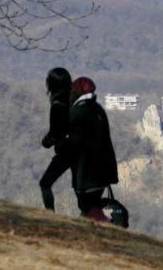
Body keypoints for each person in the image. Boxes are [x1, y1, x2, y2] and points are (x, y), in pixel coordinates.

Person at [63, 76, 119, 220]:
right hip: (103, 173)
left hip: (86, 175)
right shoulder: (99, 110)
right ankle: (97, 227)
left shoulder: (77, 112)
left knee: (87, 209)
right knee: (91, 208)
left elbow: (73, 144)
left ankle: (103, 228)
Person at [39, 67, 73, 212]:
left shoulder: (57, 105)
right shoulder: (73, 100)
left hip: (67, 152)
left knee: (45, 183)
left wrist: (44, 142)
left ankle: (50, 215)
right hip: (83, 148)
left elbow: (54, 133)